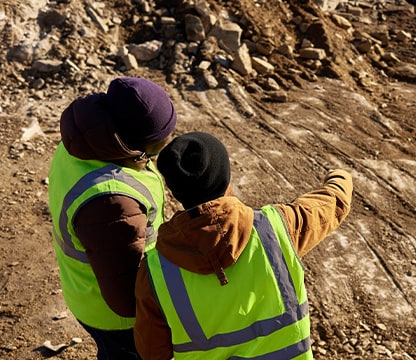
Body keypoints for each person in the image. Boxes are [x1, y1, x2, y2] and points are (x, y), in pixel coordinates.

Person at [134, 132, 353, 359]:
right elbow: (332, 204)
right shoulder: (277, 228)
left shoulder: (154, 274)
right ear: (226, 179)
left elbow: (151, 352)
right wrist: (339, 176)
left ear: (175, 191)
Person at [48, 77, 178, 359]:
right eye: (156, 146)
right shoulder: (111, 203)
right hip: (117, 318)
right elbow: (126, 299)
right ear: (132, 145)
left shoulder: (86, 140)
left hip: (86, 288)